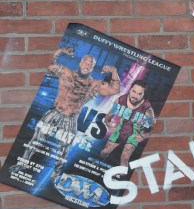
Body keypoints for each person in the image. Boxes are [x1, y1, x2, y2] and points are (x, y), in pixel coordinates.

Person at [9, 47, 120, 179]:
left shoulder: (94, 84)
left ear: (93, 68)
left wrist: (114, 71)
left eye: (91, 64)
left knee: (64, 148)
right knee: (36, 140)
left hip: (71, 118)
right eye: (85, 61)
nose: (87, 65)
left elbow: (115, 90)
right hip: (55, 111)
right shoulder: (65, 73)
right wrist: (60, 51)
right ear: (80, 62)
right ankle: (23, 164)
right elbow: (47, 64)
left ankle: (56, 173)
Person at [101, 80, 156, 169]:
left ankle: (121, 178)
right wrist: (109, 125)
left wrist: (144, 136)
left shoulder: (147, 110)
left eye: (139, 94)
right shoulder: (120, 100)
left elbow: (154, 129)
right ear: (130, 90)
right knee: (104, 152)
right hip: (120, 130)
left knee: (124, 158)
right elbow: (108, 117)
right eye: (134, 91)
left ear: (143, 95)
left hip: (134, 134)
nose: (135, 96)